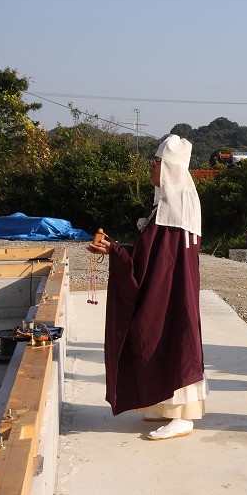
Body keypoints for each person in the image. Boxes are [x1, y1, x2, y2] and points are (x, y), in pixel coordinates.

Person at [87, 134, 207, 441]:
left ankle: (184, 416)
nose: (151, 169)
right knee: (162, 340)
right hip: (167, 288)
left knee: (174, 340)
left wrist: (115, 251)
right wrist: (116, 249)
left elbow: (151, 259)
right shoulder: (172, 205)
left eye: (155, 163)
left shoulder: (173, 212)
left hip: (169, 292)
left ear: (169, 168)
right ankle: (167, 405)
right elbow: (151, 255)